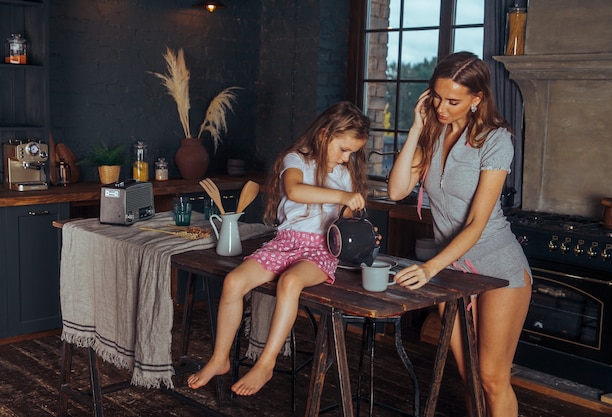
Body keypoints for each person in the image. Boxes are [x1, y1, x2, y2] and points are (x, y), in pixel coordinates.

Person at [187, 101, 370, 396]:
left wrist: (356, 222)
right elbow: (296, 190)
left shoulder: (345, 176)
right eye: (344, 149)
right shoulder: (295, 159)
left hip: (319, 250)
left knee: (290, 282)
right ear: (324, 135)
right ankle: (220, 358)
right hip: (286, 243)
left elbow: (343, 223)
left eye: (353, 153)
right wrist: (344, 195)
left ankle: (266, 362)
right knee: (234, 282)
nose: (347, 158)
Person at [387, 52, 532, 417]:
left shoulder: (497, 140)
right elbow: (396, 189)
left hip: (497, 267)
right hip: (449, 269)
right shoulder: (433, 133)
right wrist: (417, 129)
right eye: (436, 97)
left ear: (477, 99)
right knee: (470, 376)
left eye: (453, 101)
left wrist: (430, 268)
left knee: (492, 378)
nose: (442, 107)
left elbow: (476, 223)